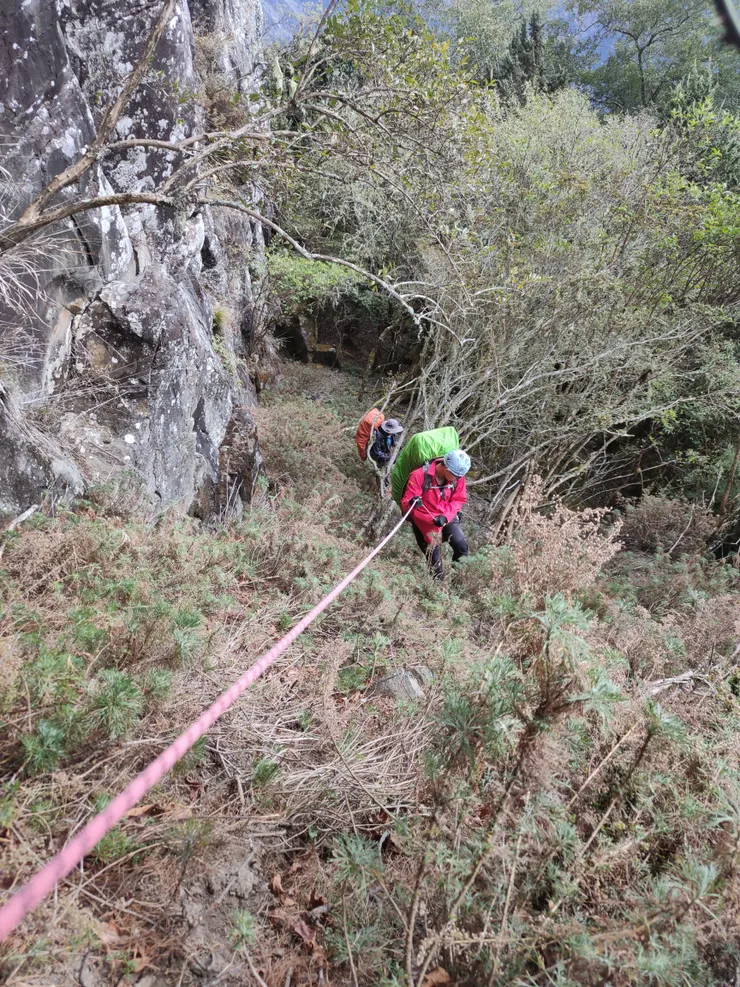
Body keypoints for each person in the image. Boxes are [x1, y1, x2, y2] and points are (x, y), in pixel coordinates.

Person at [401, 449, 471, 580]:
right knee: (435, 565)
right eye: (456, 476)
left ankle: (457, 581)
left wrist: (445, 516)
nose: (459, 479)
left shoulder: (457, 477)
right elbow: (406, 503)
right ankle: (438, 588)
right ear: (447, 470)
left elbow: (459, 499)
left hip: (446, 516)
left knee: (461, 547)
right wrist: (412, 502)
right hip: (424, 524)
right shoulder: (419, 475)